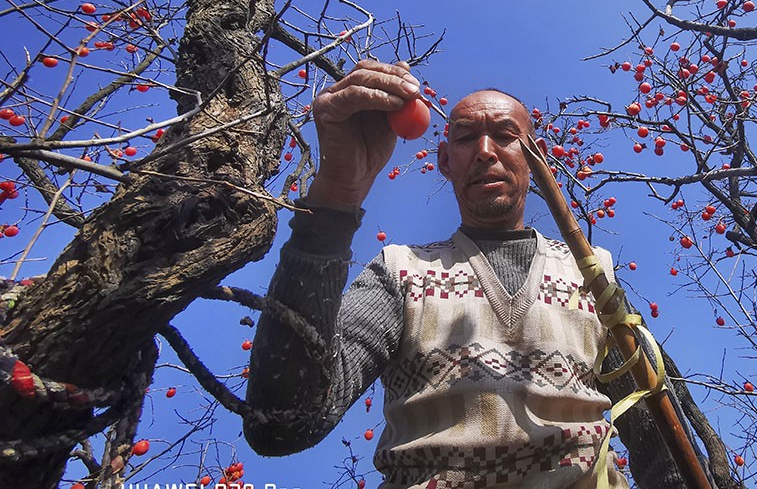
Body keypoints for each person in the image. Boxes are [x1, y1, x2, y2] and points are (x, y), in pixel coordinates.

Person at [244, 60, 704, 488]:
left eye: (505, 135)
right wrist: (337, 195)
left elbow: (657, 442)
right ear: (445, 160)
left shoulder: (592, 272)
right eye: (465, 138)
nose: (485, 151)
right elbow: (285, 422)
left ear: (536, 158)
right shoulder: (400, 271)